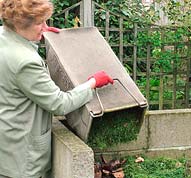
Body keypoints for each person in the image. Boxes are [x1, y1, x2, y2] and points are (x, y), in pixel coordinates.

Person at [0, 0, 114, 178]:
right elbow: (59, 103)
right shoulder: (26, 62)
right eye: (40, 23)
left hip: (7, 141)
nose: (45, 26)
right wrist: (92, 82)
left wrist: (38, 33)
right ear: (20, 25)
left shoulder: (4, 37)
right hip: (23, 158)